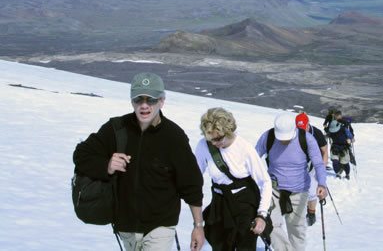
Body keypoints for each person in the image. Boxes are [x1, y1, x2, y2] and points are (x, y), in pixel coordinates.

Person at [73, 72, 205, 251]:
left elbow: (191, 185)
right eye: (138, 100)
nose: (144, 106)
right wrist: (107, 166)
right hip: (125, 225)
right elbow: (81, 154)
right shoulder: (116, 129)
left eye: (150, 100)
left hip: (160, 226)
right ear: (131, 101)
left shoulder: (174, 137)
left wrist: (198, 226)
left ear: (161, 101)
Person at [195, 107, 272, 251]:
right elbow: (195, 176)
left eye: (218, 138)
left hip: (245, 204)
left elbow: (265, 182)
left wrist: (262, 215)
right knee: (220, 246)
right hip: (220, 203)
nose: (214, 143)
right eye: (210, 139)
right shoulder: (204, 146)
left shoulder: (244, 148)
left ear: (229, 131)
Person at [256, 112, 328, 251]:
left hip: (299, 191)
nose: (284, 141)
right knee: (271, 225)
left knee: (296, 229)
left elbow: (318, 163)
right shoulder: (268, 137)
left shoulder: (307, 139)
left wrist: (322, 183)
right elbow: (254, 158)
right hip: (274, 190)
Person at [295, 112, 328, 227]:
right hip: (299, 165)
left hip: (314, 164)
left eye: (303, 128)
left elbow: (324, 152)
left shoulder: (317, 134)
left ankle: (311, 213)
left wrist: (321, 172)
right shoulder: (294, 133)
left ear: (308, 124)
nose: (301, 131)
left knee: (312, 190)